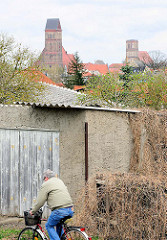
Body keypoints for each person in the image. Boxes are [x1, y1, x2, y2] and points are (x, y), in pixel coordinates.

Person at [30, 169, 74, 240]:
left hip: (60, 210)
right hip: (70, 209)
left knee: (48, 226)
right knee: (58, 224)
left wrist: (33, 211)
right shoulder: (59, 181)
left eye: (44, 179)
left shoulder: (46, 184)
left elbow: (40, 201)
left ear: (46, 178)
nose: (44, 180)